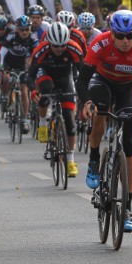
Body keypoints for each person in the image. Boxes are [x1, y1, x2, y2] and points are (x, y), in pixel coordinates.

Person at [77, 9, 132, 232]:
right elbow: (82, 80)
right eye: (119, 36)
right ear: (111, 33)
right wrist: (87, 102)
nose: (124, 41)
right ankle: (94, 160)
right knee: (100, 109)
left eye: (129, 35)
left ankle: (127, 208)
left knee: (130, 143)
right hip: (103, 82)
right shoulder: (100, 44)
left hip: (130, 88)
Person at [30, 22, 83, 177]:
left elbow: (83, 74)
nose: (59, 49)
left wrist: (83, 93)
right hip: (45, 74)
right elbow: (30, 74)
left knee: (69, 120)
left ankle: (70, 160)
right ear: (49, 42)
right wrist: (34, 91)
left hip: (65, 78)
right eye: (55, 46)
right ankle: (43, 123)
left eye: (62, 46)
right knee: (45, 92)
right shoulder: (42, 50)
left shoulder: (74, 48)